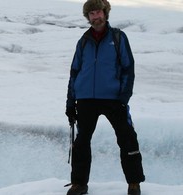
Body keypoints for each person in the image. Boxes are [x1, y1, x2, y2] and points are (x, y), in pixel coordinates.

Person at [65, 0, 145, 194]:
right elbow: (75, 72)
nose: (95, 17)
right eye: (91, 14)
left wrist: (123, 97)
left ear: (105, 13)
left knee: (127, 138)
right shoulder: (83, 41)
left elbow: (128, 69)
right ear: (88, 17)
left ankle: (134, 182)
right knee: (81, 142)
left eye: (98, 12)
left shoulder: (118, 37)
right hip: (85, 100)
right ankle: (79, 183)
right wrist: (70, 102)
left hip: (113, 99)